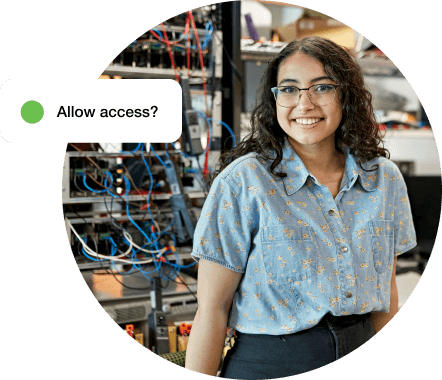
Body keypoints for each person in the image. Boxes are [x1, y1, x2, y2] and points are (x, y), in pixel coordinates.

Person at [185, 36, 416, 379]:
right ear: (274, 99)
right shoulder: (244, 181)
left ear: (346, 96)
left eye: (321, 88)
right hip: (270, 364)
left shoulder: (384, 179)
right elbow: (213, 310)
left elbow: (386, 296)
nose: (304, 104)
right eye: (289, 89)